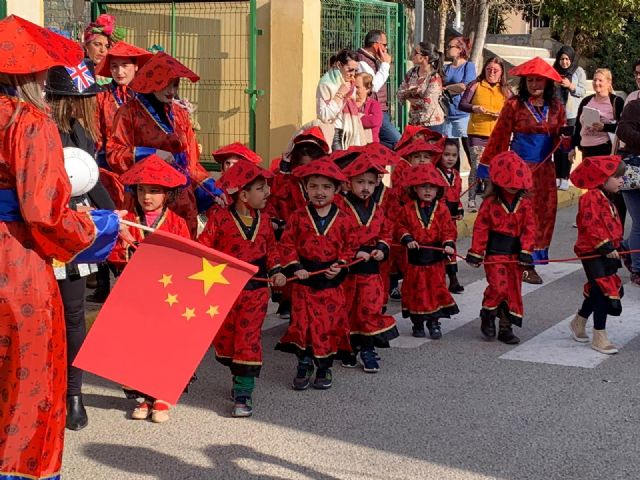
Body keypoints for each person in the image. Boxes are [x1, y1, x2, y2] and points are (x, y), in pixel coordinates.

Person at [0, 15, 123, 480]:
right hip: (16, 262)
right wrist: (94, 231)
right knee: (25, 380)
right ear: (30, 73)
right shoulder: (28, 121)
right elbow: (44, 211)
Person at [45, 58, 118, 431]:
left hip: (75, 233)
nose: (88, 105)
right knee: (42, 316)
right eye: (82, 99)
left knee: (74, 314)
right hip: (42, 227)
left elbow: (95, 181)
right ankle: (43, 388)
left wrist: (115, 218)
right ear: (62, 99)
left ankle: (74, 393)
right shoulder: (38, 130)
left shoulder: (84, 134)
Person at [198, 159, 286, 417]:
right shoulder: (219, 219)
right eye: (261, 188)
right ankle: (237, 376)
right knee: (226, 340)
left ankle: (244, 391)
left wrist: (278, 271)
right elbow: (204, 249)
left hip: (255, 291)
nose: (267, 192)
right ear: (243, 195)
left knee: (248, 338)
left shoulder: (266, 220)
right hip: (224, 290)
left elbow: (271, 250)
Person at [108, 51, 222, 238]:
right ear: (153, 83)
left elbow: (191, 163)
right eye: (165, 85)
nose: (171, 91)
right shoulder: (129, 112)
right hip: (145, 198)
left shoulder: (180, 113)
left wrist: (212, 189)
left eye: (175, 85)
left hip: (181, 199)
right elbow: (115, 153)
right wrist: (151, 154)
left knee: (182, 256)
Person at [112, 154, 191, 423]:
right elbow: (113, 256)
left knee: (162, 343)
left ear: (167, 194)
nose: (147, 197)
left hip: (167, 294)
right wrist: (120, 241)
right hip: (136, 291)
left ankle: (161, 394)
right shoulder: (128, 220)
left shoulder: (177, 223)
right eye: (142, 190)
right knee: (138, 343)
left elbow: (186, 258)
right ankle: (144, 396)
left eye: (154, 191)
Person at [479, 57, 568, 285]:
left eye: (539, 80)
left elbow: (562, 142)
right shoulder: (513, 105)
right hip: (517, 172)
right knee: (516, 214)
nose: (535, 84)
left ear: (548, 83)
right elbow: (499, 137)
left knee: (543, 215)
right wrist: (488, 170)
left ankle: (531, 261)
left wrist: (567, 138)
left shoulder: (557, 107)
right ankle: (515, 259)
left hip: (544, 172)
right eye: (530, 80)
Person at [275, 159, 355, 390]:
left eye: (326, 187)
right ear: (305, 188)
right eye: (313, 186)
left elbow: (350, 247)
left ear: (337, 189)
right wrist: (294, 266)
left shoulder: (344, 219)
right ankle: (303, 363)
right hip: (303, 281)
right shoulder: (298, 217)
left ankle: (324, 367)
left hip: (331, 283)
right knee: (303, 325)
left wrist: (340, 265)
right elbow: (287, 244)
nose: (319, 192)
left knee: (327, 326)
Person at [91, 42, 153, 304]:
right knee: (111, 223)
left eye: (124, 66)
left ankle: (146, 280)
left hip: (144, 172)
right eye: (114, 66)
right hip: (110, 171)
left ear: (136, 67)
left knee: (143, 224)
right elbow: (96, 134)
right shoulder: (101, 97)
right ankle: (105, 284)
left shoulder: (146, 97)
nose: (118, 71)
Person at [466, 152, 536, 344]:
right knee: (498, 287)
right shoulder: (490, 203)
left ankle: (506, 327)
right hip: (495, 254)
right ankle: (488, 315)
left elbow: (530, 229)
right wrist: (476, 252)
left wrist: (526, 250)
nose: (514, 185)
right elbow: (481, 229)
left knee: (513, 290)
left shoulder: (525, 204)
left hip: (515, 255)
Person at [337, 154, 398, 372]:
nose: (365, 187)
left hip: (371, 269)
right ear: (348, 182)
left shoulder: (377, 208)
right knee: (347, 309)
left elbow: (386, 231)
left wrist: (382, 248)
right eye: (360, 182)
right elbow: (335, 236)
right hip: (347, 268)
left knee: (369, 308)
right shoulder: (339, 207)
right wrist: (353, 253)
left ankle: (368, 348)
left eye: (371, 183)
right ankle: (348, 347)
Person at [569, 155, 625, 354]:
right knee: (603, 291)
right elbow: (592, 226)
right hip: (592, 251)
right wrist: (606, 246)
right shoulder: (590, 198)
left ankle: (579, 321)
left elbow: (612, 226)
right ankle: (599, 335)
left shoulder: (608, 198)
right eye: (617, 177)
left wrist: (620, 246)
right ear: (602, 178)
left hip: (607, 251)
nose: (621, 180)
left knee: (598, 289)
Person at [396, 163, 459, 339]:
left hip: (435, 260)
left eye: (432, 186)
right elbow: (399, 226)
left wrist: (448, 243)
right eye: (423, 186)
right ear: (415, 188)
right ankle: (417, 322)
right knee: (415, 290)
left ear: (438, 189)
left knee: (435, 289)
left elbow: (448, 229)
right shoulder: (407, 208)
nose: (428, 190)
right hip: (415, 260)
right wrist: (407, 238)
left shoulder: (442, 209)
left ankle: (434, 322)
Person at [459, 56, 513, 211]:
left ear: (501, 72)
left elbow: (513, 109)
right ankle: (471, 199)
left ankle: (492, 198)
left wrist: (502, 114)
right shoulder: (476, 85)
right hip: (477, 132)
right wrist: (474, 108)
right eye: (489, 69)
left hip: (498, 135)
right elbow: (462, 104)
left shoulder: (506, 90)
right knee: (477, 165)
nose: (492, 73)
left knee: (495, 167)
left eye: (495, 70)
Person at [573, 69, 626, 224]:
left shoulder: (616, 102)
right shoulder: (586, 101)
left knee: (609, 190)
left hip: (605, 150)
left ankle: (612, 223)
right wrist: (573, 146)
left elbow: (622, 127)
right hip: (588, 151)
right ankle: (593, 223)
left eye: (600, 80)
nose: (597, 83)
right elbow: (577, 124)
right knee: (592, 190)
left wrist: (604, 127)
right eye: (595, 80)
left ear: (609, 82)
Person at [356, 29, 401, 149]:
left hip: (381, 109)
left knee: (380, 143)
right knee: (398, 141)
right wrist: (386, 65)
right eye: (385, 45)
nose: (386, 49)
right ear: (376, 45)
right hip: (372, 111)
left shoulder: (373, 60)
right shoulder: (362, 62)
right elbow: (373, 86)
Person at [316, 48, 366, 151]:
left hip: (352, 133)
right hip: (335, 134)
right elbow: (324, 115)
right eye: (350, 69)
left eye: (355, 71)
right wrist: (340, 94)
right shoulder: (326, 84)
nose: (353, 74)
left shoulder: (350, 85)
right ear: (339, 65)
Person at [553, 46, 586, 191]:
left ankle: (565, 177)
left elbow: (582, 91)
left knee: (567, 147)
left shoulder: (578, 71)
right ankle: (557, 177)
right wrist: (553, 85)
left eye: (567, 59)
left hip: (571, 114)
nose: (564, 62)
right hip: (556, 114)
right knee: (556, 148)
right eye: (562, 59)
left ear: (571, 59)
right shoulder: (554, 71)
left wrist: (570, 85)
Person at [616, 87, 640, 286]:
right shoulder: (633, 106)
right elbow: (623, 130)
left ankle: (625, 247)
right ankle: (638, 269)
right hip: (633, 169)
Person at [442, 36, 476, 164]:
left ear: (459, 49)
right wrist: (451, 88)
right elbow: (439, 87)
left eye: (450, 46)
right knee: (452, 155)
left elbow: (464, 86)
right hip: (448, 116)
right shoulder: (446, 68)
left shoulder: (468, 66)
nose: (447, 49)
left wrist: (446, 88)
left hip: (463, 116)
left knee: (469, 152)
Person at [397, 43, 446, 131]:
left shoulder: (434, 77)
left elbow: (428, 104)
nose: (412, 54)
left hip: (431, 124)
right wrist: (410, 93)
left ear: (425, 58)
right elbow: (399, 93)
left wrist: (409, 98)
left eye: (415, 52)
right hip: (414, 122)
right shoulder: (412, 72)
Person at [437, 139, 465, 293]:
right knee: (440, 248)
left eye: (454, 155)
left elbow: (457, 196)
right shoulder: (434, 173)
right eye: (446, 154)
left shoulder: (456, 175)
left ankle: (453, 279)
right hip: (438, 217)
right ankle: (440, 281)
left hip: (451, 220)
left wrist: (459, 209)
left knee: (451, 247)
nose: (450, 158)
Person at [354, 72, 383, 143]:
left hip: (370, 144)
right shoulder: (348, 102)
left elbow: (375, 121)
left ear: (367, 89)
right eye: (353, 86)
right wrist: (364, 118)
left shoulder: (374, 104)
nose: (354, 90)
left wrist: (355, 119)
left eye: (357, 87)